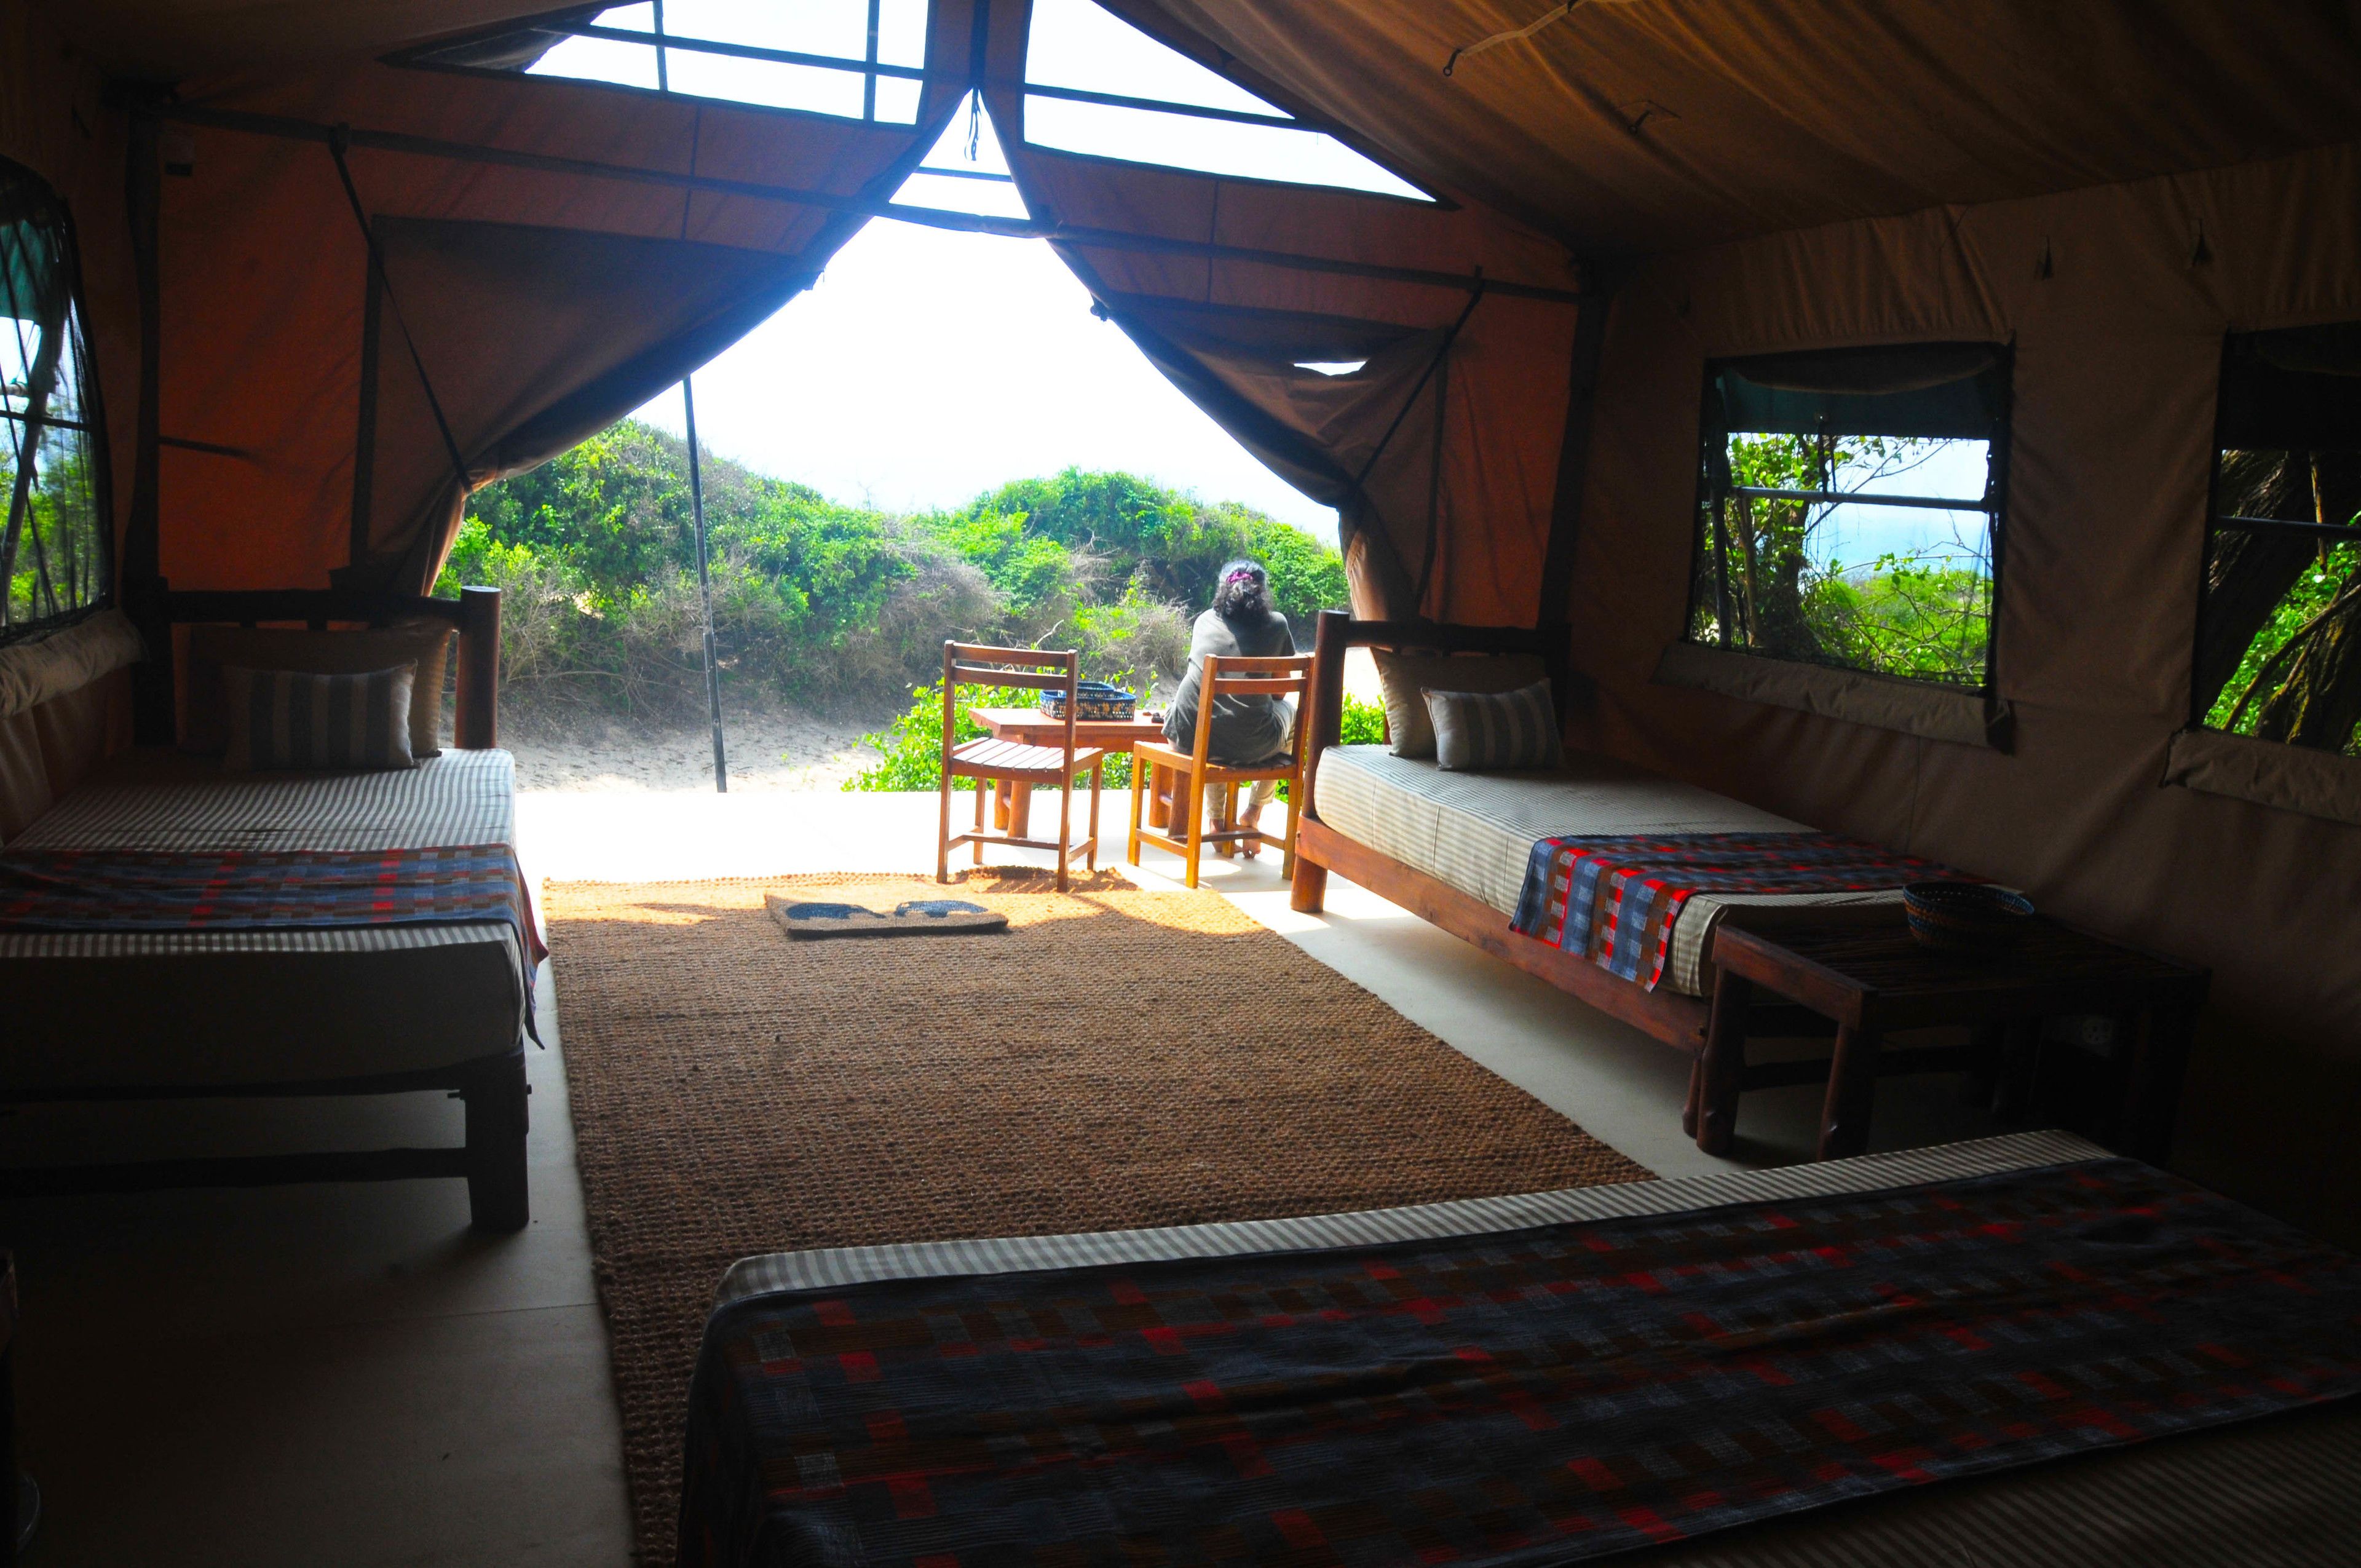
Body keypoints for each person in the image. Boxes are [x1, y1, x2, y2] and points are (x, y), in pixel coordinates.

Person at [1161, 558, 1296, 855]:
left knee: (1212, 719)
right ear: (1262, 592)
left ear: (1223, 589)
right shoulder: (1277, 625)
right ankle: (1253, 813)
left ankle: (1216, 820)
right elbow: (1280, 693)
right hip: (1252, 744)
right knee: (1291, 716)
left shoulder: (1204, 620)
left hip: (1188, 739)